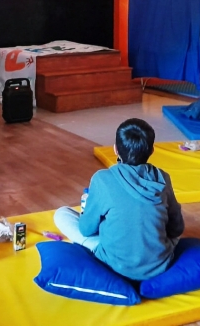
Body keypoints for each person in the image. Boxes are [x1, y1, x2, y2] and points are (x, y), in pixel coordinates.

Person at [53, 118, 184, 281]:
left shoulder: (102, 179)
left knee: (61, 214)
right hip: (159, 264)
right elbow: (177, 229)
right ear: (151, 150)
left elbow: (86, 230)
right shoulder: (163, 177)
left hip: (115, 264)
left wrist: (89, 210)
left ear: (115, 149)